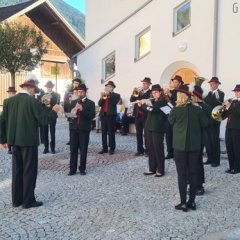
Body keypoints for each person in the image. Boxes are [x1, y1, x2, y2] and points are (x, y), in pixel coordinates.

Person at [0, 79, 60, 209]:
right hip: (28, 142)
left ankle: (16, 200)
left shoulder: (8, 101)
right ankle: (28, 201)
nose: (34, 94)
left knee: (17, 171)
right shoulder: (33, 102)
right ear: (31, 89)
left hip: (14, 142)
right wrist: (54, 111)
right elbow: (44, 120)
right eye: (34, 91)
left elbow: (2, 121)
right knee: (29, 171)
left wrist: (3, 140)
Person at [168, 84, 208, 212]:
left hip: (179, 146)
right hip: (194, 146)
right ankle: (192, 202)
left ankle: (183, 203)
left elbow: (170, 122)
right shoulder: (198, 110)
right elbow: (206, 123)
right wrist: (201, 106)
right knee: (193, 173)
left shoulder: (175, 109)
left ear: (180, 96)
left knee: (182, 175)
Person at [139, 84, 168, 177]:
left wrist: (143, 105)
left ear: (160, 92)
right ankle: (152, 168)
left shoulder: (162, 102)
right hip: (149, 127)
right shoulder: (153, 101)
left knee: (158, 149)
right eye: (153, 93)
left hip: (158, 128)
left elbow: (153, 110)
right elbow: (148, 110)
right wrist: (142, 104)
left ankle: (160, 169)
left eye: (156, 92)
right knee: (150, 148)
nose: (154, 94)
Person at [67, 84, 95, 176]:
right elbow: (68, 117)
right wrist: (71, 113)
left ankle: (82, 168)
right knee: (73, 150)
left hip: (84, 129)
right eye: (78, 92)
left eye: (82, 92)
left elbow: (91, 116)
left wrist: (82, 109)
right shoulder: (73, 102)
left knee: (83, 150)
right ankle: (72, 169)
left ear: (85, 92)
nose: (80, 93)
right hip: (73, 129)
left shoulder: (90, 103)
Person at [191, 85, 211, 195]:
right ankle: (193, 183)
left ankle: (199, 185)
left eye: (192, 95)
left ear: (196, 96)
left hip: (200, 138)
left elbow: (210, 122)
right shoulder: (191, 106)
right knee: (191, 162)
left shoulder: (204, 107)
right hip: (192, 138)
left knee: (198, 162)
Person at [204, 77, 225, 167]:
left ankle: (216, 160)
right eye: (210, 84)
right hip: (208, 120)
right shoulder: (208, 93)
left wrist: (206, 98)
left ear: (217, 84)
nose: (211, 85)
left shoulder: (220, 93)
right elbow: (205, 104)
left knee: (214, 141)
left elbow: (215, 104)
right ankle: (210, 158)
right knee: (208, 141)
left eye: (213, 84)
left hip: (215, 120)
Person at [130, 77, 151, 156]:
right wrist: (133, 93)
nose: (144, 85)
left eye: (145, 83)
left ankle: (147, 150)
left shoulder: (150, 92)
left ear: (149, 84)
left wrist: (141, 96)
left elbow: (147, 101)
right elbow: (131, 100)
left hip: (146, 115)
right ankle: (140, 150)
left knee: (146, 134)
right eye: (143, 83)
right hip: (137, 115)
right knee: (138, 133)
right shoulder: (138, 92)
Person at [164, 75, 184, 159]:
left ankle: (176, 152)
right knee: (168, 134)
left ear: (180, 83)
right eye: (173, 82)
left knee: (175, 135)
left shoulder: (181, 91)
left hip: (177, 116)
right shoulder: (173, 90)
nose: (174, 83)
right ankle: (170, 152)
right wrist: (165, 95)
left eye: (176, 82)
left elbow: (177, 100)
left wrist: (169, 94)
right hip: (169, 115)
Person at [98, 81, 120, 155]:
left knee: (111, 132)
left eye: (110, 86)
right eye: (107, 86)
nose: (108, 87)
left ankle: (112, 148)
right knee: (103, 132)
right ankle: (104, 148)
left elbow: (114, 103)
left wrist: (109, 94)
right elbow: (99, 104)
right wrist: (102, 97)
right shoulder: (103, 94)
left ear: (113, 88)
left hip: (111, 116)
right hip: (103, 115)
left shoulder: (116, 95)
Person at [223, 84, 240, 174]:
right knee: (229, 148)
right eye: (235, 91)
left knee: (237, 148)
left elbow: (237, 113)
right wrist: (223, 112)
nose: (236, 93)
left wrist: (229, 106)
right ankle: (231, 167)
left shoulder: (233, 103)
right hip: (229, 127)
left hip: (237, 128)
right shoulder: (233, 102)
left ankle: (237, 168)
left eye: (238, 91)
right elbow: (229, 113)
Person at [42, 80, 61, 154]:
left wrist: (50, 102)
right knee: (45, 132)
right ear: (46, 87)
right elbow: (41, 105)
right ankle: (46, 148)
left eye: (50, 87)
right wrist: (44, 102)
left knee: (52, 133)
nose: (49, 88)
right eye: (47, 87)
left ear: (52, 87)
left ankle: (52, 148)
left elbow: (57, 105)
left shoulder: (57, 95)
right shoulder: (43, 95)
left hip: (52, 115)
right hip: (45, 115)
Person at [64, 78, 82, 145]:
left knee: (77, 126)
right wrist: (66, 112)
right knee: (71, 125)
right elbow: (65, 102)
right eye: (75, 83)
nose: (76, 84)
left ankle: (78, 141)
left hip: (78, 112)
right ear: (73, 84)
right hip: (70, 111)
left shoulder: (81, 92)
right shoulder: (69, 92)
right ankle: (71, 139)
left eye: (77, 83)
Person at [6, 87, 17, 154]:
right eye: (10, 93)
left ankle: (15, 147)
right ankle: (9, 148)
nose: (11, 94)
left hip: (15, 119)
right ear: (8, 93)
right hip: (8, 119)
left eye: (13, 93)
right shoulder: (6, 101)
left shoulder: (17, 101)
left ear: (15, 93)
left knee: (15, 133)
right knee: (9, 134)